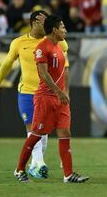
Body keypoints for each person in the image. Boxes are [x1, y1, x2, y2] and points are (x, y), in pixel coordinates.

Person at [0, 10, 69, 179]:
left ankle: (34, 165)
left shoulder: (56, 43)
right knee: (33, 128)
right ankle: (40, 164)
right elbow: (6, 65)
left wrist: (64, 92)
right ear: (34, 23)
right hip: (27, 93)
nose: (48, 26)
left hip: (49, 95)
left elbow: (65, 68)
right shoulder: (19, 43)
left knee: (43, 132)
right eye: (44, 23)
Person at [13, 15, 89, 183]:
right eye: (62, 27)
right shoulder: (42, 47)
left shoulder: (59, 47)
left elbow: (65, 70)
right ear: (54, 30)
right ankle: (19, 170)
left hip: (60, 98)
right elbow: (43, 73)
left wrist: (64, 92)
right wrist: (58, 91)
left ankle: (68, 175)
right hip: (45, 98)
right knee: (36, 134)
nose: (65, 31)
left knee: (65, 132)